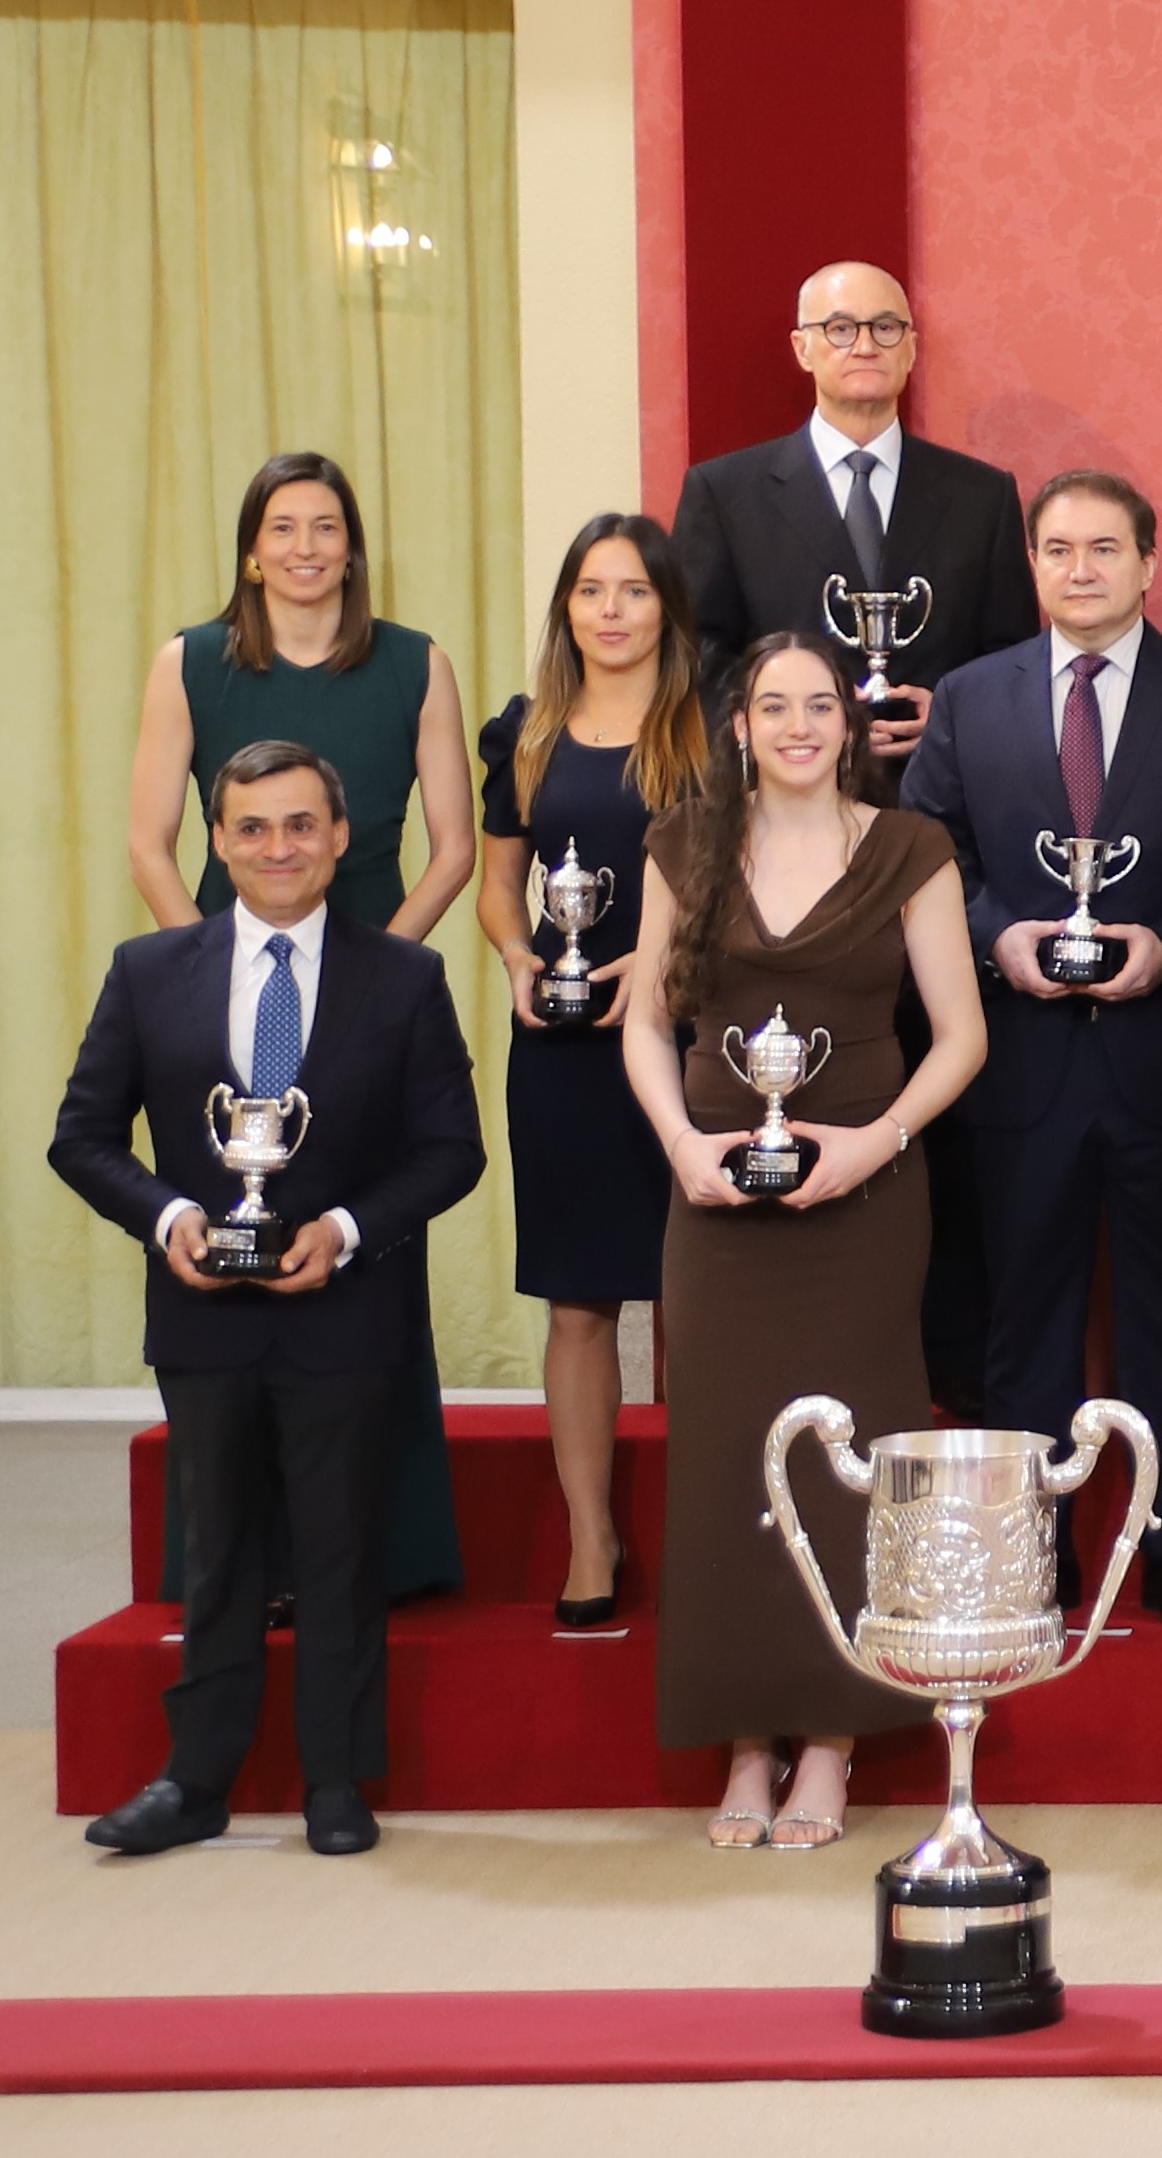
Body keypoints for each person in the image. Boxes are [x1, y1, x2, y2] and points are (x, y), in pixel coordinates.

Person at [48, 741, 491, 1859]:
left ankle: (337, 1780)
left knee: (341, 1548)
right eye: (251, 827)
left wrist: (344, 1230)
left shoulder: (406, 977)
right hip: (203, 1314)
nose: (277, 847)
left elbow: (452, 1151)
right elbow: (82, 1136)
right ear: (218, 841)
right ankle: (195, 1781)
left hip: (345, 1313)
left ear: (341, 836)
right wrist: (168, 1218)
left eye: (300, 824)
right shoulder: (150, 970)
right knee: (217, 1554)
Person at [621, 635, 987, 1852]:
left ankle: (830, 1736)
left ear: (849, 722)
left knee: (849, 1452)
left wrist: (875, 1143)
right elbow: (646, 1026)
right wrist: (682, 1145)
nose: (796, 725)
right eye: (772, 705)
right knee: (728, 1455)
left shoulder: (911, 846)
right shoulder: (682, 844)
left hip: (865, 1203)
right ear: (738, 724)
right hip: (717, 1204)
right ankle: (746, 1737)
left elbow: (960, 1035)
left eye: (818, 704)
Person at [894, 470, 1162, 1626]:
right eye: (1058, 549)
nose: (1081, 569)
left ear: (1150, 562)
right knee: (1026, 1324)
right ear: (1033, 563)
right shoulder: (971, 696)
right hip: (1019, 1062)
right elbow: (925, 846)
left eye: (1105, 548)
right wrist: (993, 933)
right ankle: (1033, 1555)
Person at [473, 514, 710, 1632]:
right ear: (566, 606)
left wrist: (657, 966)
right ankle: (589, 1535)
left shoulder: (711, 732)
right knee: (578, 1302)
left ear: (667, 606)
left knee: (699, 1294)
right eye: (590, 590)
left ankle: (715, 1531)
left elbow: (743, 878)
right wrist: (521, 957)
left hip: (690, 1038)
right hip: (563, 1045)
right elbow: (499, 887)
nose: (611, 611)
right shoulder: (524, 734)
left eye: (633, 590)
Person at [664, 262, 1027, 754]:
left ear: (911, 348)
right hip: (784, 780)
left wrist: (955, 715)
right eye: (840, 328)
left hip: (936, 783)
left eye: (885, 327)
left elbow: (1012, 656)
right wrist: (791, 720)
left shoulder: (983, 496)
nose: (865, 345)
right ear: (802, 349)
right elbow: (697, 653)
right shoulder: (723, 493)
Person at [129, 451, 479, 945]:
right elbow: (149, 848)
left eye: (326, 528)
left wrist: (386, 967)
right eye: (282, 529)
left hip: (373, 954)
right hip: (228, 961)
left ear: (351, 550)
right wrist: (205, 964)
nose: (305, 548)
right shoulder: (186, 664)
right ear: (252, 551)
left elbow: (456, 851)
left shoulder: (421, 665)